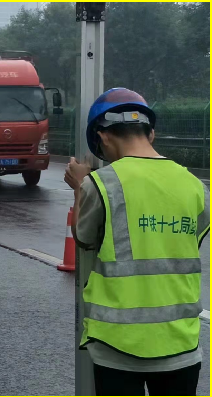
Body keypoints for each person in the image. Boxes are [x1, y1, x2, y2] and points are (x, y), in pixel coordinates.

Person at [64, 88, 210, 396]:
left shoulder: (101, 183)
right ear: (151, 133)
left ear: (103, 137)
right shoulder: (196, 187)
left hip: (118, 348)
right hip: (181, 345)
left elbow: (84, 238)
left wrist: (79, 187)